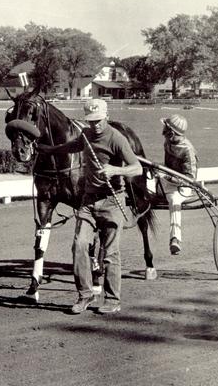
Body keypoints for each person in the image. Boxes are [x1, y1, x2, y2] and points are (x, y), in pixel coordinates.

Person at [36, 99, 142, 315]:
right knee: (79, 245)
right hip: (88, 201)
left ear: (107, 116)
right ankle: (85, 295)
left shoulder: (116, 139)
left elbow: (137, 168)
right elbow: (70, 147)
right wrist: (49, 150)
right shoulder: (85, 135)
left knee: (110, 252)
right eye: (91, 121)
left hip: (112, 201)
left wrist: (115, 170)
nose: (95, 125)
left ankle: (112, 299)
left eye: (98, 121)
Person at [158, 114, 198, 255]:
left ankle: (175, 239)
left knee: (174, 200)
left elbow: (189, 178)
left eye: (165, 128)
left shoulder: (188, 150)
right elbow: (167, 167)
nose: (162, 130)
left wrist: (168, 177)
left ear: (171, 132)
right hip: (168, 183)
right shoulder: (167, 143)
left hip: (183, 188)